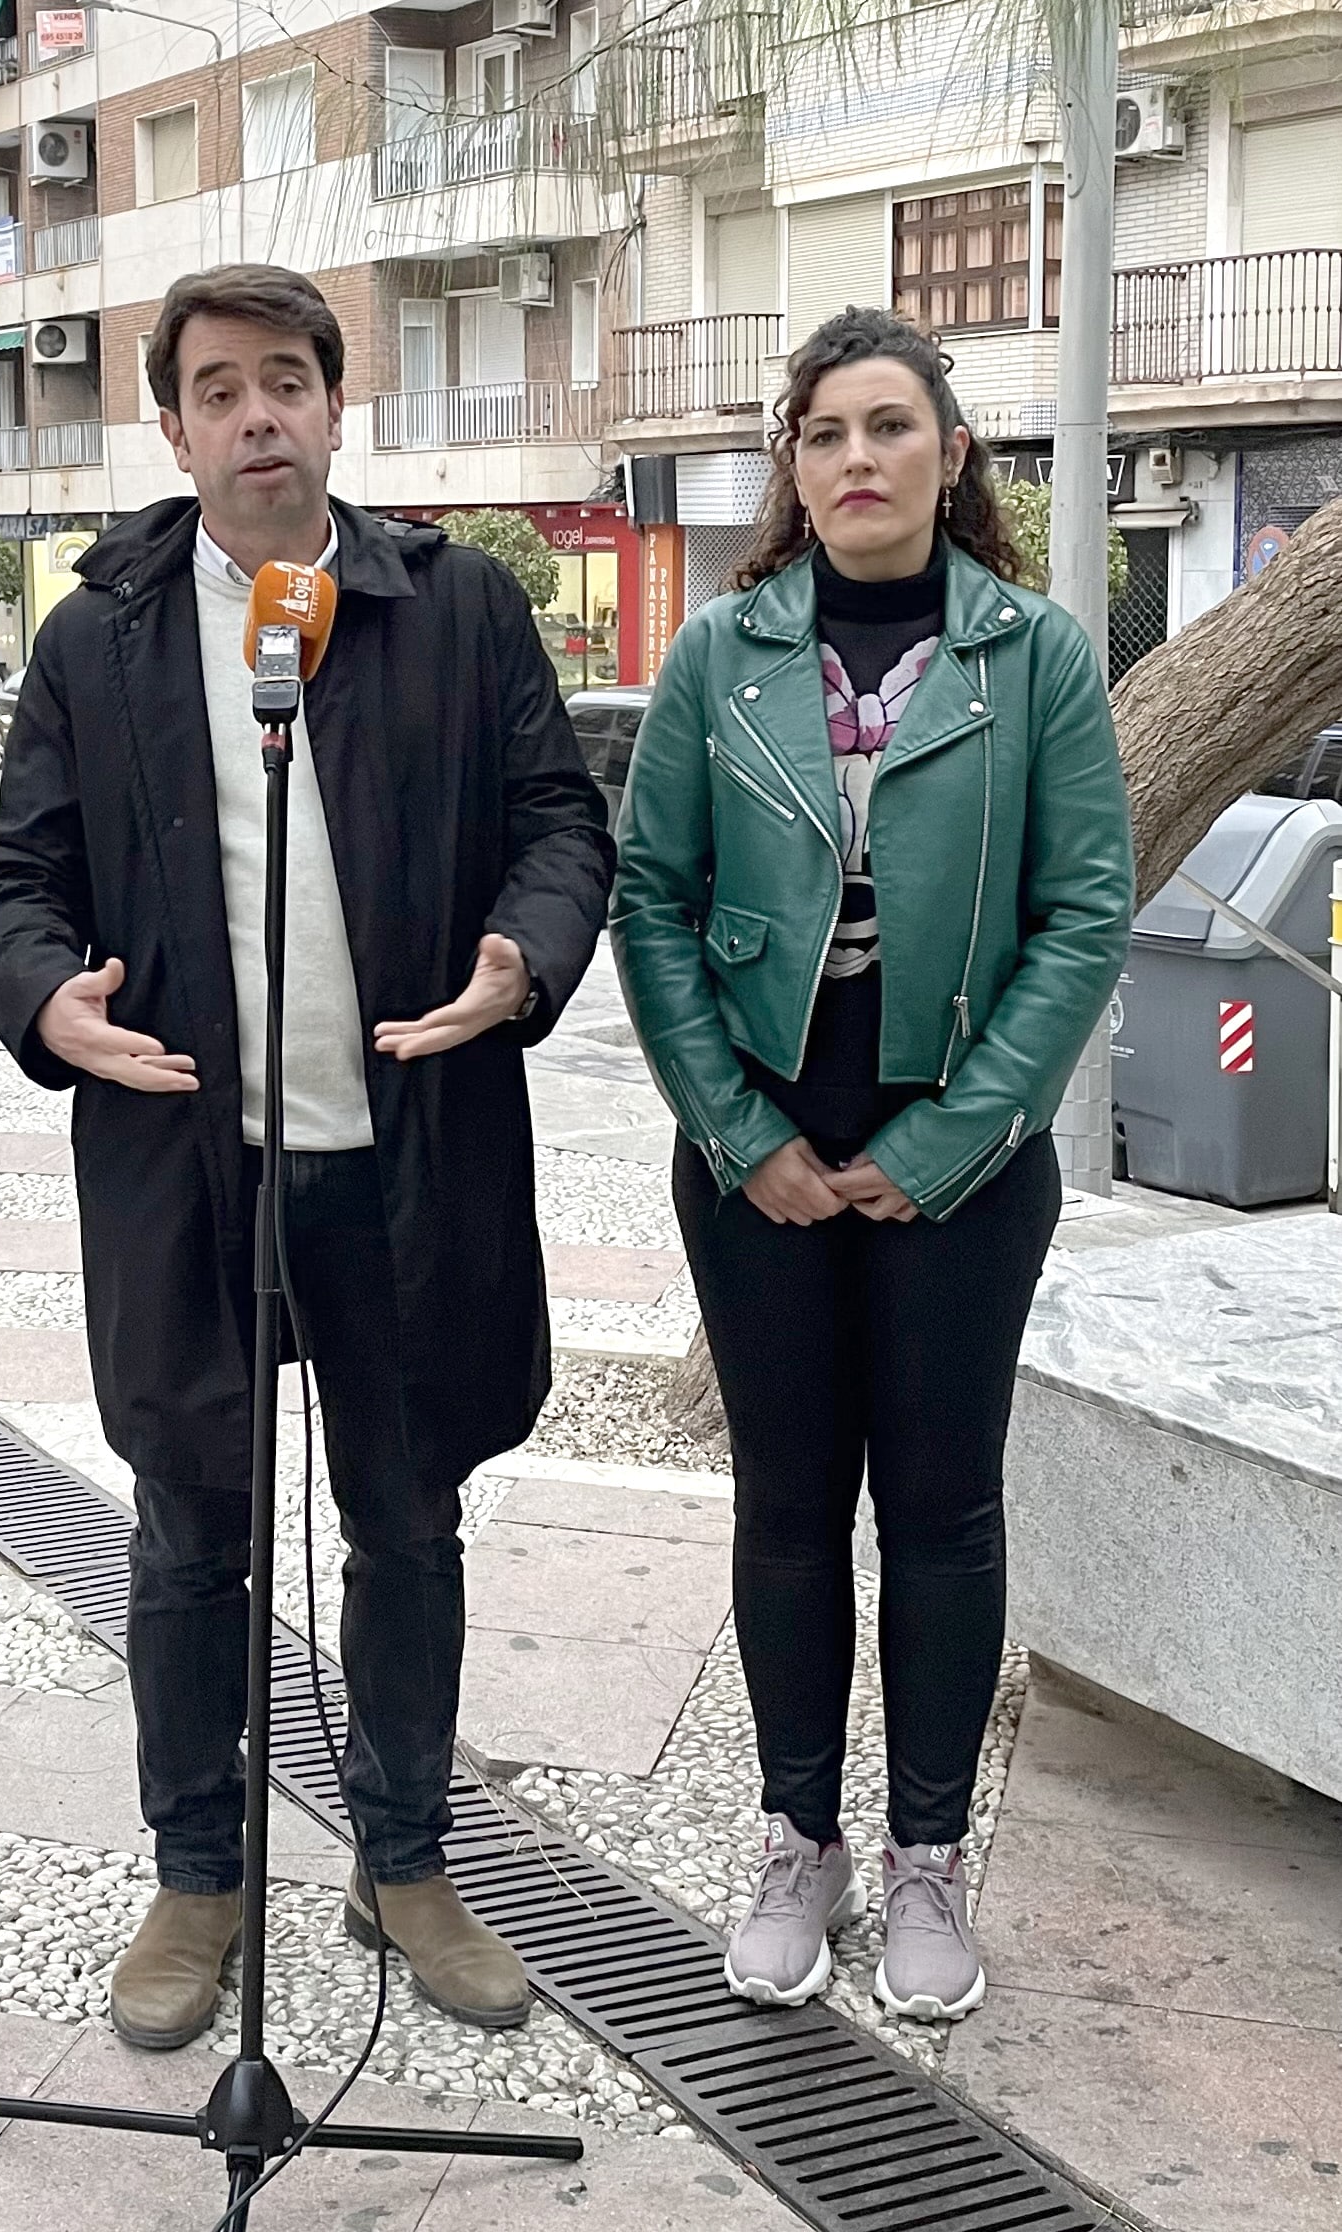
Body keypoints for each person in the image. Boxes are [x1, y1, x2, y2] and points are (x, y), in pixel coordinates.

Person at [0, 265, 613, 2049]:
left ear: (339, 409)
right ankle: (198, 1873)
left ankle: (405, 1858)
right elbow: (14, 879)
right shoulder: (95, 638)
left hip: (407, 1156)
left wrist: (522, 958)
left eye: (287, 384)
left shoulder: (461, 607)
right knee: (191, 1535)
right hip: (190, 1170)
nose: (257, 416)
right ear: (170, 431)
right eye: (218, 390)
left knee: (409, 1525)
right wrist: (49, 1006)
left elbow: (562, 818)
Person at [612, 306, 1133, 2022]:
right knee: (784, 1509)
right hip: (757, 1152)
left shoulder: (1034, 654)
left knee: (942, 1511)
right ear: (793, 466)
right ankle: (796, 1839)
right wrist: (740, 1131)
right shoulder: (720, 652)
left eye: (890, 426)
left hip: (957, 1169)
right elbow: (654, 904)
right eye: (825, 431)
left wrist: (948, 1141)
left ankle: (924, 1861)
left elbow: (1082, 913)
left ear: (952, 455)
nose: (856, 459)